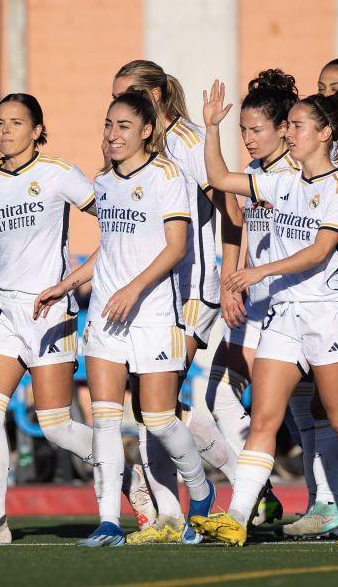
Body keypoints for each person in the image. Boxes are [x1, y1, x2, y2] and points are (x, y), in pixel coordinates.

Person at [0, 93, 154, 544]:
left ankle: (128, 475)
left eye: (16, 123)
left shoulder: (57, 174)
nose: (5, 131)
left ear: (37, 130)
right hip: (3, 314)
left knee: (55, 425)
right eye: (0, 122)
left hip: (50, 310)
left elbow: (118, 222)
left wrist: (83, 277)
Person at [193, 80, 338, 547]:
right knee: (263, 418)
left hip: (326, 316)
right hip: (284, 317)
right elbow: (221, 179)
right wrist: (211, 128)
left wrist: (258, 272)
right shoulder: (280, 180)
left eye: (298, 125)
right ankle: (237, 517)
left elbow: (321, 252)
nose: (290, 132)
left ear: (324, 134)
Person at [35, 89, 215, 548]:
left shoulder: (168, 176)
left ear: (147, 130)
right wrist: (69, 282)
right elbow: (111, 249)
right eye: (108, 125)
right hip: (105, 319)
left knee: (158, 420)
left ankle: (200, 491)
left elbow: (175, 247)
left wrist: (134, 289)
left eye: (123, 126)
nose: (112, 135)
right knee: (106, 422)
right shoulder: (105, 181)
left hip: (154, 315)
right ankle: (109, 521)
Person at [111, 60, 245, 543]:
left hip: (192, 291)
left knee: (158, 409)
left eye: (128, 95)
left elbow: (230, 205)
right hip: (153, 296)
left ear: (157, 95)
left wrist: (229, 275)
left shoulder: (187, 142)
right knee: (153, 409)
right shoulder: (136, 151)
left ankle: (232, 488)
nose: (118, 108)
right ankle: (181, 510)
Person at [207, 69, 302, 533]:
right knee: (220, 394)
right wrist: (230, 281)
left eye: (255, 130)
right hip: (254, 302)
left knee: (309, 412)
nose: (247, 138)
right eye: (242, 130)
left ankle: (334, 503)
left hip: (294, 304)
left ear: (285, 128)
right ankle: (259, 494)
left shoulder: (301, 173)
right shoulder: (251, 174)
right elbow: (233, 223)